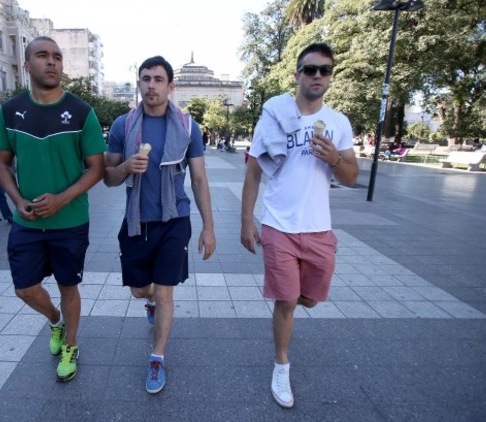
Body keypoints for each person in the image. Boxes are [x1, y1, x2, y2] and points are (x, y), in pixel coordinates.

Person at [241, 43, 358, 408]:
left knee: (309, 300)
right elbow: (253, 172)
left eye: (325, 70)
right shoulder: (274, 117)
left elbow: (352, 177)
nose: (318, 76)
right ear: (297, 74)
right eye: (310, 69)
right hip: (278, 226)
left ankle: (293, 318)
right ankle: (281, 365)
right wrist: (247, 220)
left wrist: (336, 158)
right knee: (287, 301)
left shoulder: (339, 123)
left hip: (319, 229)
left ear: (330, 76)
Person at [0, 36, 106, 383]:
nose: (52, 62)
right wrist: (16, 199)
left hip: (70, 221)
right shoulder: (10, 111)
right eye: (42, 56)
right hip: (26, 222)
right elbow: (1, 164)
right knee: (24, 288)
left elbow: (96, 168)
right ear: (27, 65)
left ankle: (70, 345)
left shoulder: (82, 111)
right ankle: (55, 322)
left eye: (57, 56)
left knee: (68, 286)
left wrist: (62, 198)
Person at [104, 55, 216, 395]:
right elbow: (107, 177)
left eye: (157, 79)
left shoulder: (187, 126)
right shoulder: (124, 125)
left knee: (166, 291)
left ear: (170, 85)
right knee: (141, 289)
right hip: (137, 222)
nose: (151, 85)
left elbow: (198, 179)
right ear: (138, 83)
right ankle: (148, 300)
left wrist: (208, 227)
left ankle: (157, 358)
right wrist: (126, 167)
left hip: (173, 221)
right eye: (145, 78)